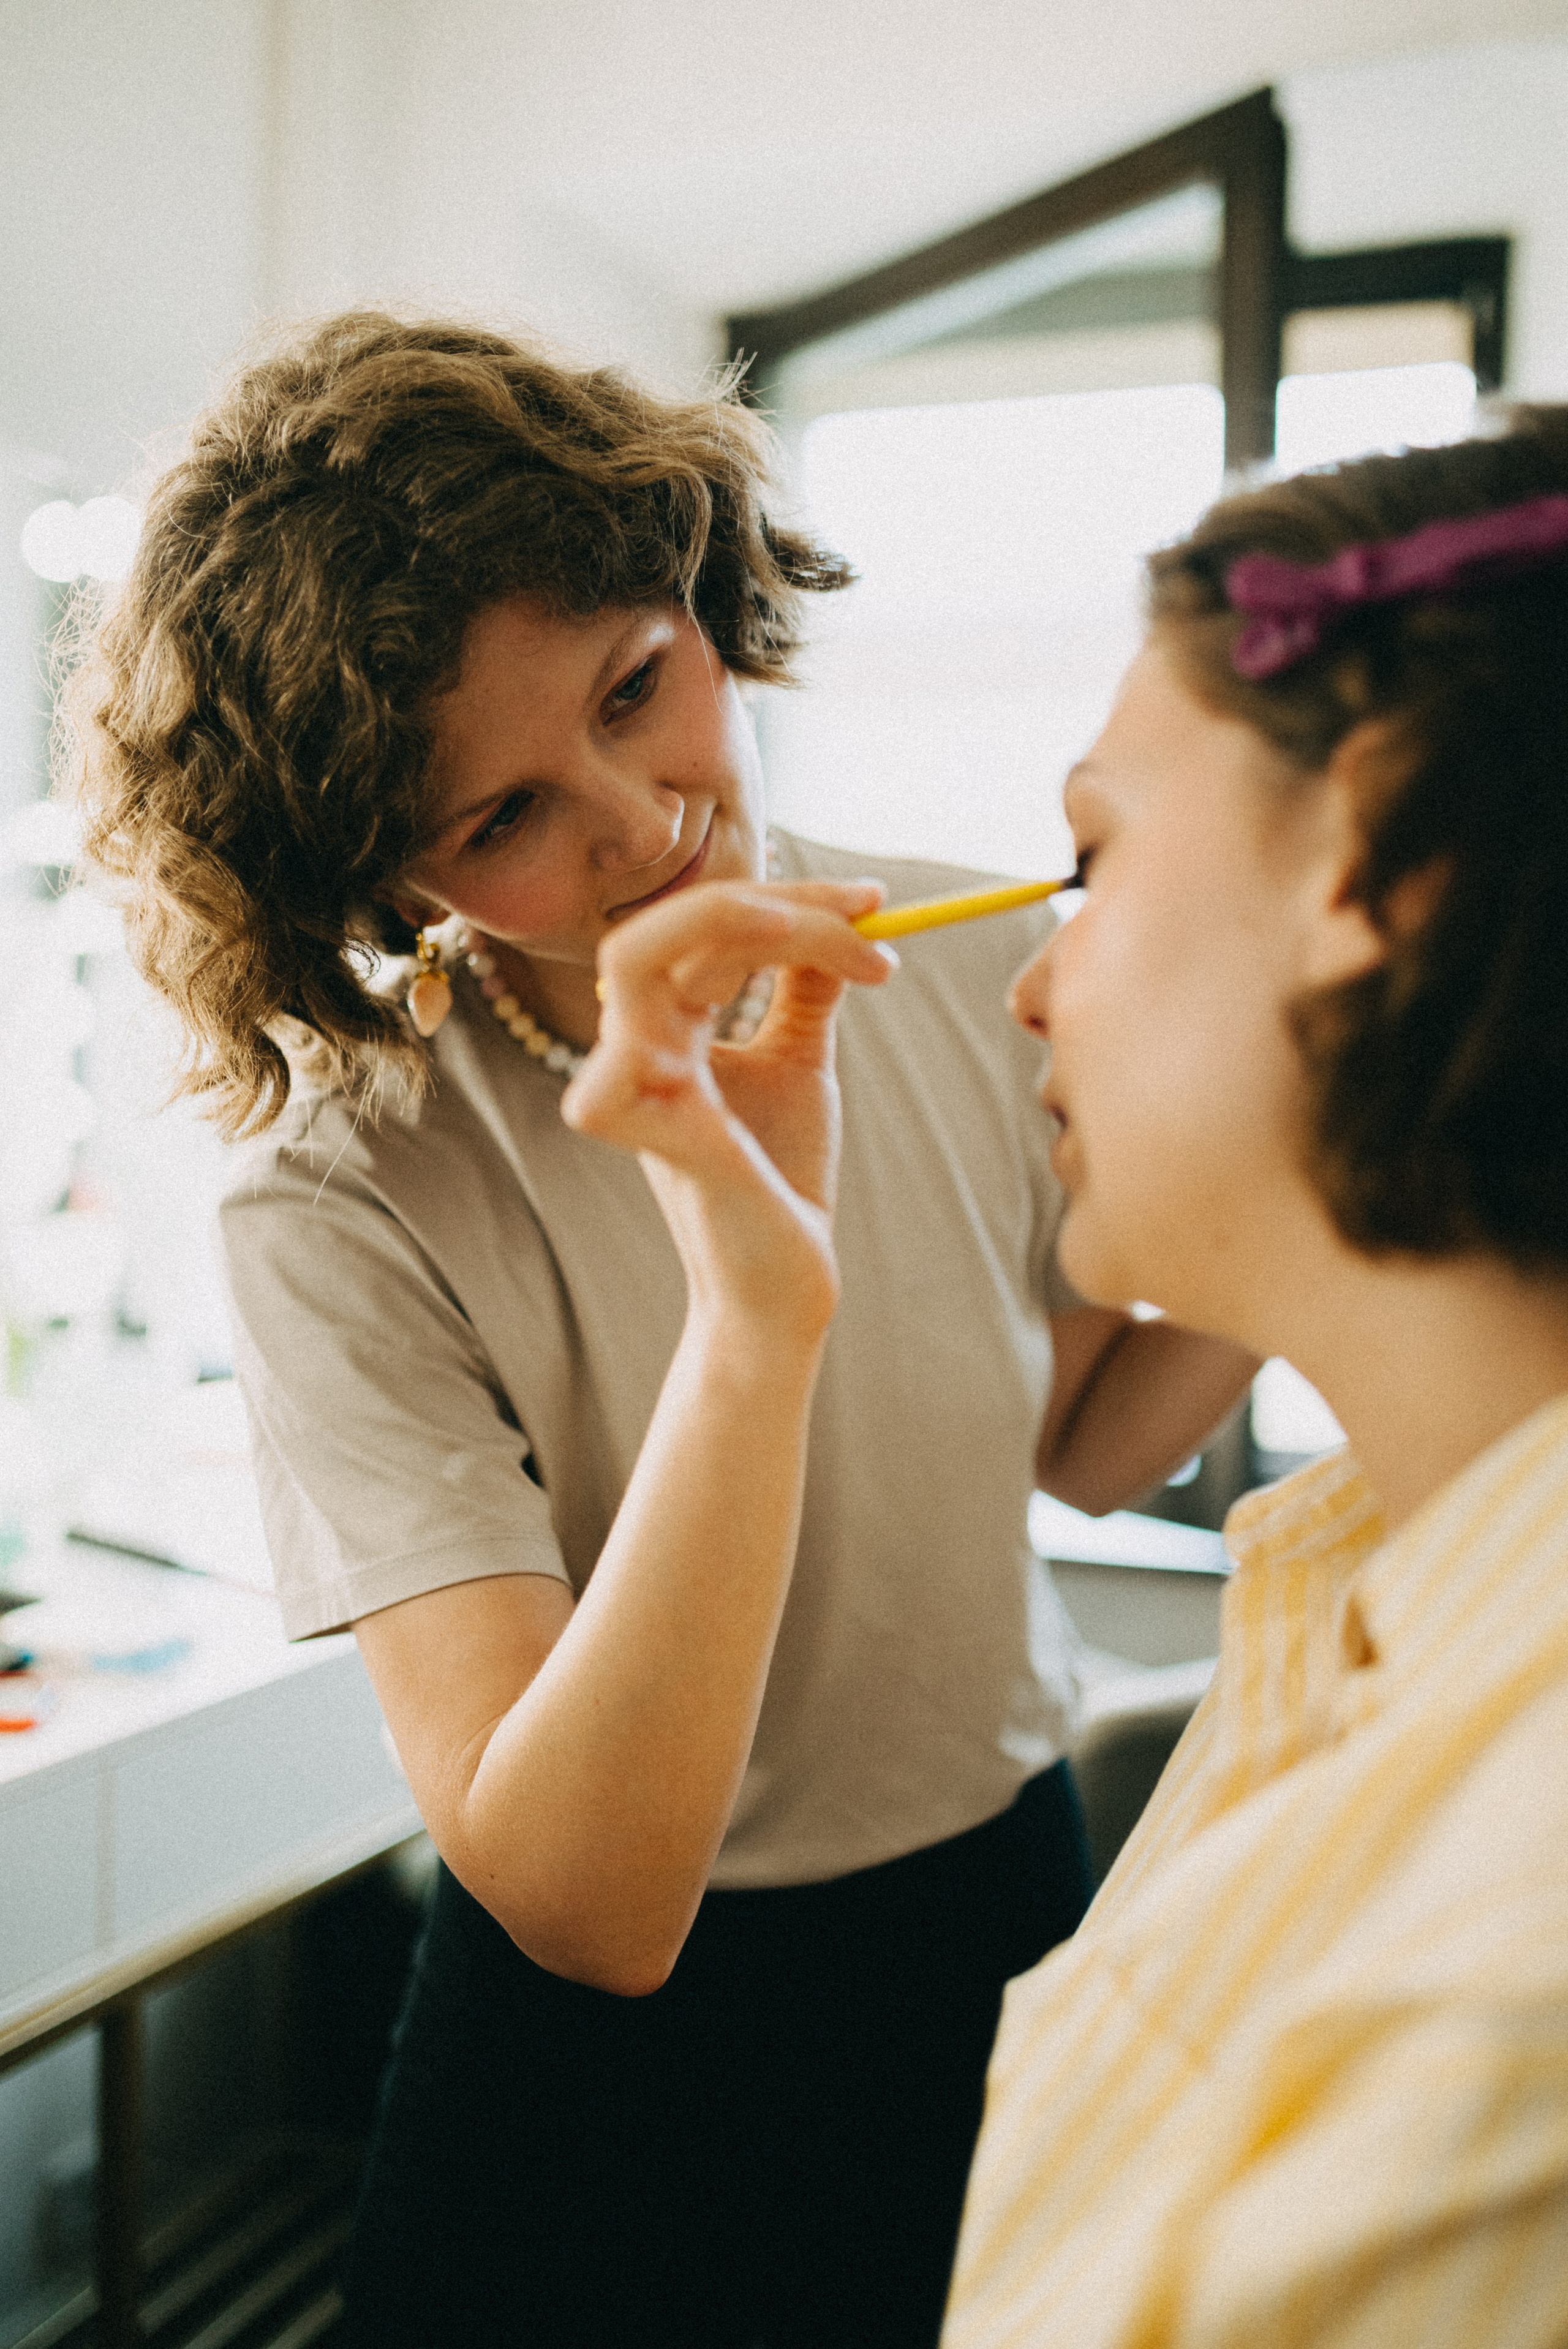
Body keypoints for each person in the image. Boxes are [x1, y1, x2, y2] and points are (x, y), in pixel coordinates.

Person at [63, 313, 1254, 2349]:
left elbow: (1076, 1437)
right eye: (499, 816)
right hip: (601, 2076)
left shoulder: (983, 962)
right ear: (376, 879)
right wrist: (751, 1299)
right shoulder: (348, 1189)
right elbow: (590, 1903)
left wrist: (1319, 1159)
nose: (635, 826)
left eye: (639, 687)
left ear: (704, 588)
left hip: (996, 1914)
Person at [930, 412, 1568, 2343]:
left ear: (1379, 852)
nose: (1035, 979)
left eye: (1094, 855)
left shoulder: (1500, 2012)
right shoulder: (1368, 1583)